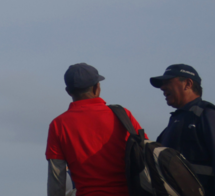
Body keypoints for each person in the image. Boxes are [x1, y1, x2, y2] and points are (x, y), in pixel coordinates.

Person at [46, 63, 143, 196]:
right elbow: (145, 155)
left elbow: (57, 178)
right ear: (97, 87)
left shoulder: (58, 125)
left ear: (68, 91)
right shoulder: (123, 115)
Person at [150, 64, 215, 196]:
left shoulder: (208, 115)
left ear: (188, 83)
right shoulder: (174, 123)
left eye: (168, 82)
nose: (162, 88)